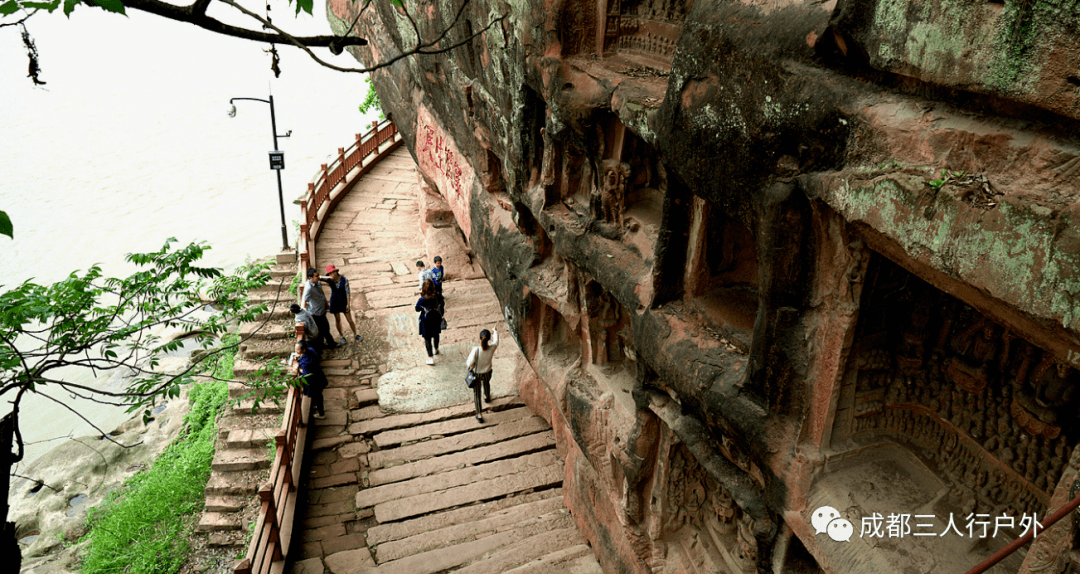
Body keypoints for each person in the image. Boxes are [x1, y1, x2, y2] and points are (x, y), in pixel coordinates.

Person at [322, 264, 362, 345]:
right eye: (331, 273)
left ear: (336, 271)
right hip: (335, 302)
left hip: (343, 301)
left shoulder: (344, 279)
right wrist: (328, 277)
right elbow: (319, 278)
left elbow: (347, 292)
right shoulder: (330, 280)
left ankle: (355, 334)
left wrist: (348, 304)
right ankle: (341, 336)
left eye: (334, 272)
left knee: (350, 320)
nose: (333, 274)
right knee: (338, 320)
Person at [465, 328, 499, 422]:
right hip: (487, 372)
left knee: (477, 393)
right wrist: (495, 331)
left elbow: (469, 363)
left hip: (477, 374)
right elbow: (496, 341)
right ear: (488, 339)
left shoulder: (476, 350)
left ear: (480, 338)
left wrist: (470, 366)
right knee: (487, 383)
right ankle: (487, 397)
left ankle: (479, 414)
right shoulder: (492, 348)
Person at [303, 267, 338, 350]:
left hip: (321, 309)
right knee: (323, 329)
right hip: (315, 313)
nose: (319, 277)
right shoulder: (308, 288)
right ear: (310, 278)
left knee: (324, 329)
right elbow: (303, 302)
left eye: (318, 275)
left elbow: (321, 288)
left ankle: (323, 345)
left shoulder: (316, 281)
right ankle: (329, 344)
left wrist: (325, 302)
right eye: (316, 276)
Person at [291, 341, 327, 419]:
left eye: (298, 350)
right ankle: (318, 410)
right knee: (318, 396)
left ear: (303, 350)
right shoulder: (311, 350)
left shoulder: (305, 363)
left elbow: (305, 373)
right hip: (320, 376)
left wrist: (298, 367)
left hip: (314, 382)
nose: (296, 351)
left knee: (317, 397)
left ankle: (321, 414)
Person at [415, 279, 443, 365]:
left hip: (426, 321)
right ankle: (436, 349)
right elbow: (442, 302)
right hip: (436, 318)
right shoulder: (437, 295)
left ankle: (430, 358)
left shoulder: (422, 299)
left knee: (427, 339)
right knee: (436, 334)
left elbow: (417, 309)